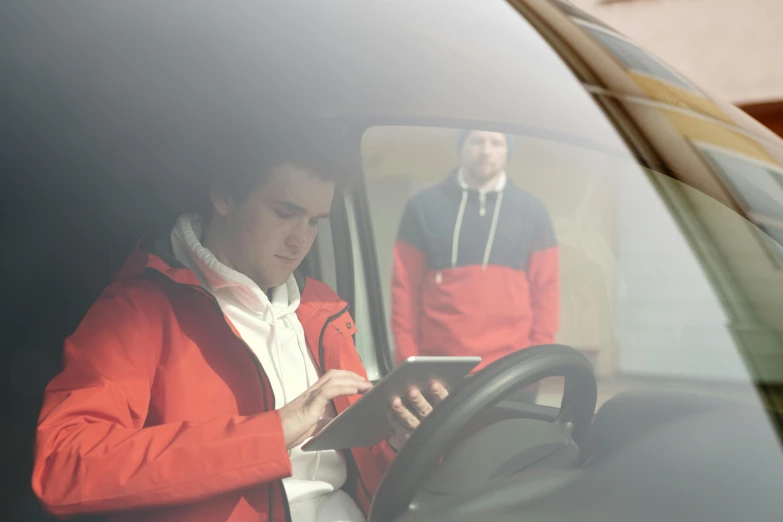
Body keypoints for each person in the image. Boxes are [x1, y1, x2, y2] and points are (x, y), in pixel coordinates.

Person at [31, 134, 447, 522]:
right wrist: (274, 431)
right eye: (286, 214)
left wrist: (398, 444)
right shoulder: (139, 309)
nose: (301, 241)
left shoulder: (323, 307)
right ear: (225, 196)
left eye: (315, 221)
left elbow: (358, 471)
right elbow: (63, 465)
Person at [391, 129, 559, 375]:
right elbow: (404, 288)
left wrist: (537, 362)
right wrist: (408, 361)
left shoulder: (533, 211)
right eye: (477, 141)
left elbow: (546, 288)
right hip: (439, 370)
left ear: (508, 151)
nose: (486, 151)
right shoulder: (423, 207)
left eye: (496, 143)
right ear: (461, 145)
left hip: (514, 370)